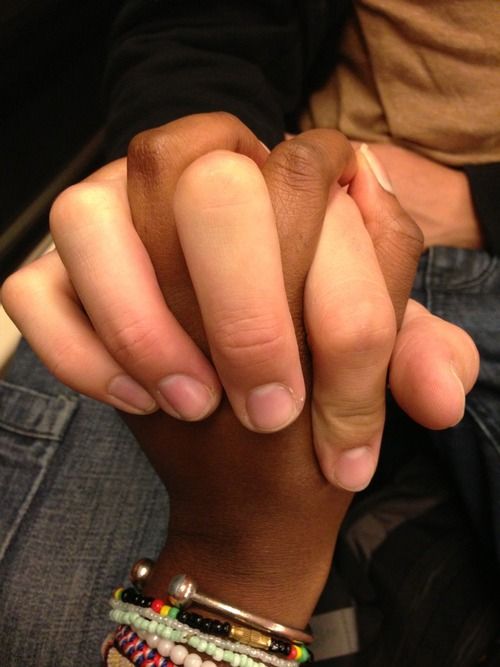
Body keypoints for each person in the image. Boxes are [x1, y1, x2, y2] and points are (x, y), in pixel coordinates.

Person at [1, 1, 498, 664]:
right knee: (40, 631)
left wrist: (478, 202)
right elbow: (196, 36)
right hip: (293, 203)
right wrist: (189, 177)